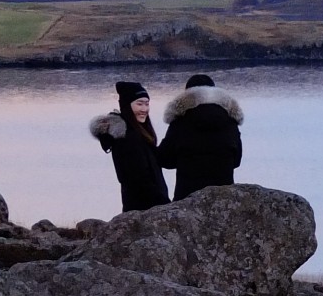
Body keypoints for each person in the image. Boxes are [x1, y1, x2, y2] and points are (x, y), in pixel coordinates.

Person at [90, 80, 170, 212]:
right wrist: (165, 204)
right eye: (139, 104)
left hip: (144, 207)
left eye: (146, 104)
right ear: (127, 106)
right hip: (143, 209)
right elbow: (138, 179)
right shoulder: (127, 137)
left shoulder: (139, 133)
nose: (144, 109)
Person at [160, 72, 243, 197]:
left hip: (187, 198)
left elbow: (165, 159)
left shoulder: (180, 122)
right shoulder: (230, 121)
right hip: (223, 199)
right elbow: (236, 161)